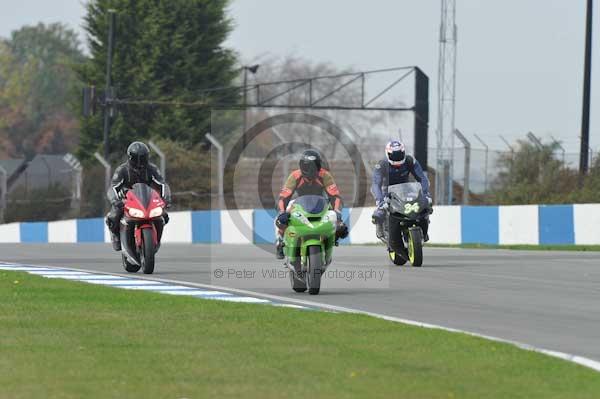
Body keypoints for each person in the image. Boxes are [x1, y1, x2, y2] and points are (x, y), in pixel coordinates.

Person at [275, 149, 348, 259]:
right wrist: (281, 212)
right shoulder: (295, 176)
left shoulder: (325, 175)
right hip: (299, 203)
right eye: (308, 166)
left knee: (340, 226)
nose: (311, 169)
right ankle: (280, 241)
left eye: (315, 166)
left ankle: (330, 239)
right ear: (301, 166)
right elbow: (283, 197)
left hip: (321, 204)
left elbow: (335, 196)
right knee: (280, 219)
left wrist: (337, 212)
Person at [105, 141, 171, 251]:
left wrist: (166, 199)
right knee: (113, 217)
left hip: (147, 199)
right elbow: (113, 187)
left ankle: (156, 239)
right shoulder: (122, 169)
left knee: (163, 216)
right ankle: (115, 235)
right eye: (137, 158)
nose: (140, 162)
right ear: (130, 157)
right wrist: (115, 200)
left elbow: (162, 183)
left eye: (143, 158)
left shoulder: (152, 168)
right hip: (126, 199)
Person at [371, 140, 432, 241]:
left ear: (403, 152)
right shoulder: (381, 165)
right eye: (394, 155)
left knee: (425, 206)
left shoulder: (410, 161)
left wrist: (425, 194)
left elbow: (422, 178)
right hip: (387, 193)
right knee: (379, 213)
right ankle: (381, 228)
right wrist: (380, 200)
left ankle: (423, 230)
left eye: (399, 154)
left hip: (405, 191)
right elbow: (376, 184)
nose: (397, 158)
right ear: (388, 154)